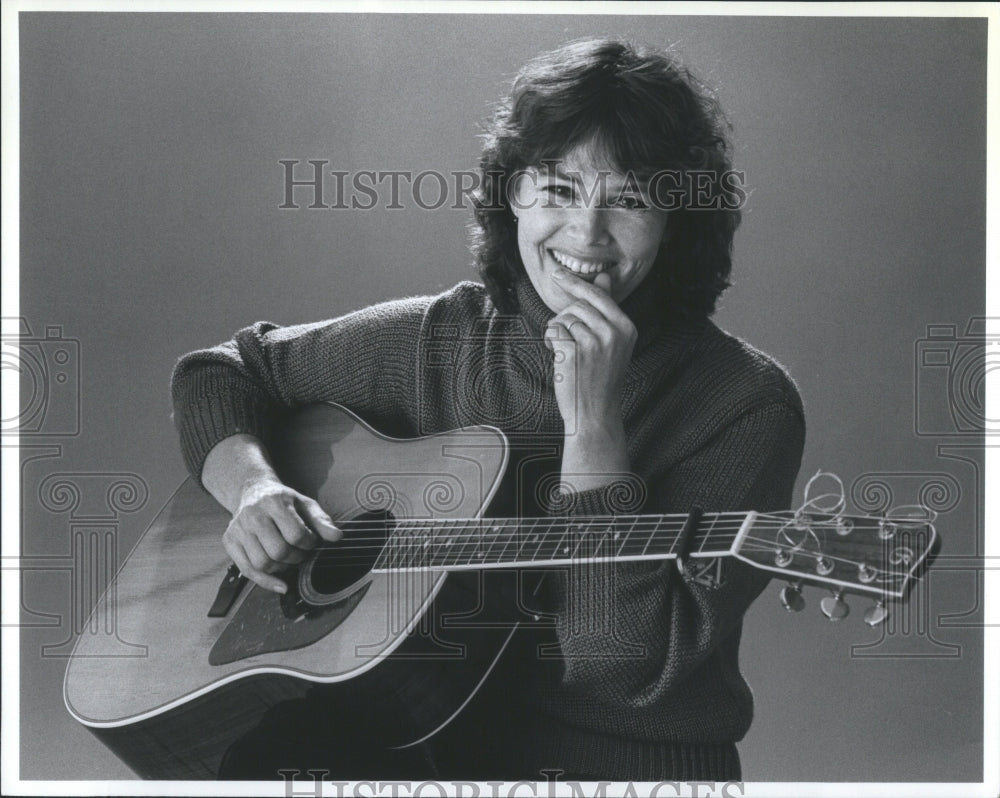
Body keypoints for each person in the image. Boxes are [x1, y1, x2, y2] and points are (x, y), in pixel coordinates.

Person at [171, 38, 805, 782]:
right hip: (434, 746)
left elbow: (617, 668)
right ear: (511, 193)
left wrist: (594, 425)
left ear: (679, 221)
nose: (586, 236)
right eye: (559, 191)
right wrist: (254, 491)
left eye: (629, 200)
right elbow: (222, 373)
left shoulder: (745, 404)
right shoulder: (443, 338)